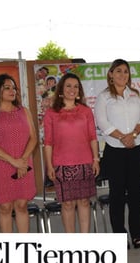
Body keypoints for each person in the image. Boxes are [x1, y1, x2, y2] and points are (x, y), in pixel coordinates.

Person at [94, 59, 140, 248]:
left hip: (137, 148)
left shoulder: (136, 95)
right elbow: (102, 121)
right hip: (114, 151)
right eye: (118, 71)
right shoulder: (103, 97)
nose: (122, 75)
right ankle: (119, 234)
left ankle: (137, 234)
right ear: (110, 74)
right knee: (116, 194)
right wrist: (122, 137)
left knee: (135, 192)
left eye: (125, 71)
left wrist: (132, 135)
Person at [0, 74, 37, 232]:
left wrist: (22, 161)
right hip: (1, 165)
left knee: (22, 204)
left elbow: (33, 138)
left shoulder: (24, 111)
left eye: (14, 88)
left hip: (24, 163)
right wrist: (14, 161)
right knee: (5, 207)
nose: (12, 90)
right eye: (7, 87)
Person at [43, 73, 100, 233]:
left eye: (76, 86)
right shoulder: (51, 113)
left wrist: (96, 159)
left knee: (83, 202)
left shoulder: (86, 111)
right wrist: (49, 166)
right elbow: (48, 142)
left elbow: (92, 137)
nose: (72, 89)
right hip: (61, 165)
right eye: (68, 85)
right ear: (61, 88)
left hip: (85, 163)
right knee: (67, 204)